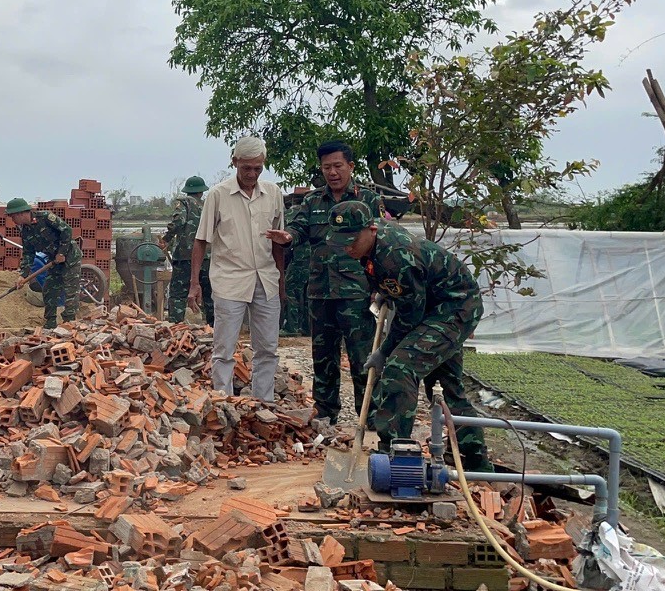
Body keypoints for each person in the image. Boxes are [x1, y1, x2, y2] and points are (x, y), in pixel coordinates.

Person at [325, 200, 493, 472]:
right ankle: (477, 465)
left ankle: (396, 456)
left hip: (453, 307)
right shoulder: (374, 244)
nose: (346, 247)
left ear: (371, 229)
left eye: (352, 239)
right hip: (432, 304)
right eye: (341, 241)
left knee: (399, 369)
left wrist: (384, 351)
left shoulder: (396, 257)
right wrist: (385, 291)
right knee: (445, 386)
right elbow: (397, 285)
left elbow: (409, 318)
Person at [271, 140, 384, 424]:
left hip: (356, 290)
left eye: (337, 166)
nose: (332, 172)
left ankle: (369, 415)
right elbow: (298, 229)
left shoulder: (367, 199)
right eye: (326, 167)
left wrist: (378, 286)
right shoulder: (312, 201)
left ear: (350, 167)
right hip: (320, 291)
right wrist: (288, 237)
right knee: (323, 356)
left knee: (361, 356)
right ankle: (325, 412)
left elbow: (380, 240)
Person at [190, 137, 287, 402]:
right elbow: (201, 240)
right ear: (235, 162)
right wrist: (194, 283)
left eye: (258, 168)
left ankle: (262, 403)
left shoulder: (273, 194)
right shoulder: (218, 195)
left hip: (266, 279)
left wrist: (281, 280)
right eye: (247, 168)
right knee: (224, 349)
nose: (252, 174)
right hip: (229, 281)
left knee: (267, 348)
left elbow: (278, 242)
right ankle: (223, 403)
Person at [5, 197, 82, 329]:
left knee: (70, 289)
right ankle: (50, 323)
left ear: (21, 213)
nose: (12, 220)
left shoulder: (46, 217)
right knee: (49, 289)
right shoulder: (25, 231)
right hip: (53, 260)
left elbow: (66, 230)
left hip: (70, 256)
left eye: (13, 216)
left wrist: (62, 253)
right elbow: (28, 253)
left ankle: (69, 323)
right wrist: (23, 275)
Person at [161, 176, 214, 326]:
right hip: (207, 257)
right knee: (210, 294)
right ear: (201, 192)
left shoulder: (184, 203)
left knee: (178, 293)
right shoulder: (207, 207)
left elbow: (178, 222)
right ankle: (214, 329)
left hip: (186, 256)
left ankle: (175, 326)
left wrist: (166, 238)